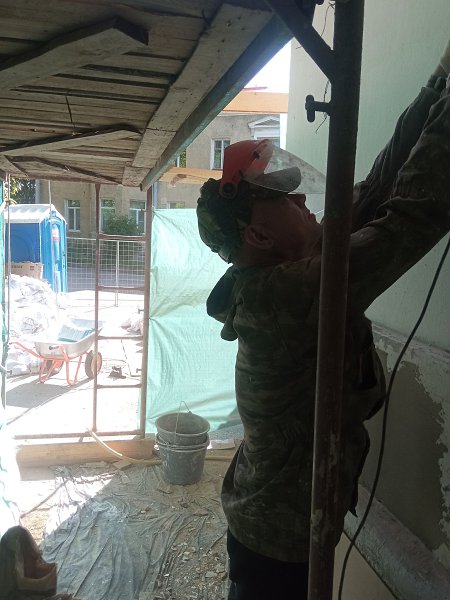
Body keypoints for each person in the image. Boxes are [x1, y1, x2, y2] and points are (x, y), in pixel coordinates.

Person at [196, 40, 450, 600]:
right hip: (276, 543)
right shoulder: (282, 297)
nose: (305, 203)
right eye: (288, 202)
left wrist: (438, 83)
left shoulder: (293, 267)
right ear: (258, 235)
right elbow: (408, 220)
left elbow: (375, 190)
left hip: (278, 524)